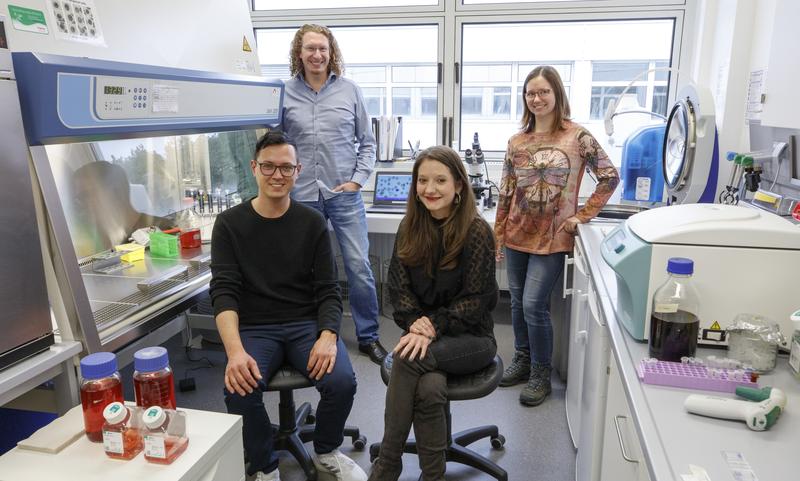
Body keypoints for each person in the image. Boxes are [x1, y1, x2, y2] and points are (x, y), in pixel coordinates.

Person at [209, 131, 367, 481]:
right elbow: (224, 293)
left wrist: (328, 336)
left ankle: (326, 450)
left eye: (285, 168)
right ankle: (264, 465)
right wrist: (234, 351)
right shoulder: (230, 225)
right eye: (268, 166)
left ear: (298, 171)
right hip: (254, 327)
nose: (277, 175)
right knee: (239, 388)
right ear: (254, 168)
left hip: (304, 324)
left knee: (341, 381)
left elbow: (328, 290)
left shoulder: (311, 223)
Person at [368, 146, 498, 481]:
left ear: (458, 184)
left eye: (440, 180)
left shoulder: (477, 231)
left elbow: (476, 301)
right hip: (425, 338)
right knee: (429, 389)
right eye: (422, 180)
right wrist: (414, 322)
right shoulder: (410, 227)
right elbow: (398, 289)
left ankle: (387, 463)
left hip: (472, 339)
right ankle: (433, 476)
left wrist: (430, 326)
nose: (430, 188)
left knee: (406, 359)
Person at [494, 66, 620, 407]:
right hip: (517, 233)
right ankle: (521, 358)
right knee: (517, 303)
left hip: (552, 238)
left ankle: (540, 372)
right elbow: (506, 191)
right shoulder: (516, 141)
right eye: (530, 93)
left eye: (543, 92)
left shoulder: (577, 137)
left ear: (557, 95)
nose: (536, 99)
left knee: (534, 305)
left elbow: (609, 177)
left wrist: (581, 216)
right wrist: (498, 231)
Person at [282, 24, 388, 365]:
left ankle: (369, 337)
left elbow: (367, 144)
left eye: (322, 49)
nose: (316, 55)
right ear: (299, 52)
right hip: (300, 197)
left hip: (343, 195)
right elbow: (275, 146)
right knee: (305, 270)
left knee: (358, 267)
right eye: (310, 48)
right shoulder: (283, 93)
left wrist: (357, 181)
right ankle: (312, 333)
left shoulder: (349, 91)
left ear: (331, 53)